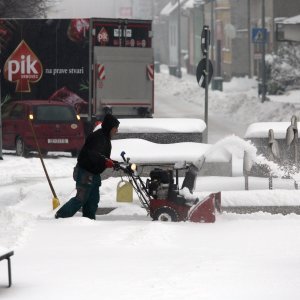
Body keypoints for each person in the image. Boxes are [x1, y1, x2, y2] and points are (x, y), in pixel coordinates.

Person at [55, 113, 120, 219]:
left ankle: (88, 221)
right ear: (109, 127)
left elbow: (101, 156)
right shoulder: (98, 137)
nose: (116, 131)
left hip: (94, 174)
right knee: (81, 198)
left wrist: (111, 162)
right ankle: (61, 216)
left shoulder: (104, 138)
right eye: (115, 128)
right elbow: (93, 155)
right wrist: (106, 162)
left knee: (93, 200)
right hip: (85, 172)